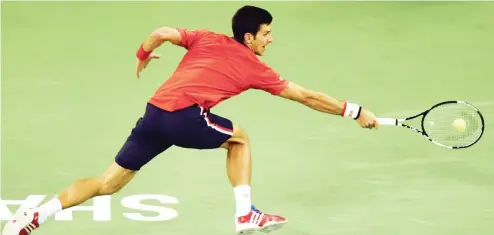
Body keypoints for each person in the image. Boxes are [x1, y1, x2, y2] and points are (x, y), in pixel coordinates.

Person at [2, 5, 378, 235]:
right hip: (183, 117)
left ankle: (34, 215)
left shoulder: (205, 38)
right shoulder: (255, 68)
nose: (270, 40)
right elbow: (306, 96)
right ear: (249, 37)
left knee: (108, 183)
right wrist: (355, 111)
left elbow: (161, 33)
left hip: (154, 113)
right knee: (240, 139)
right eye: (266, 34)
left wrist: (142, 54)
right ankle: (245, 214)